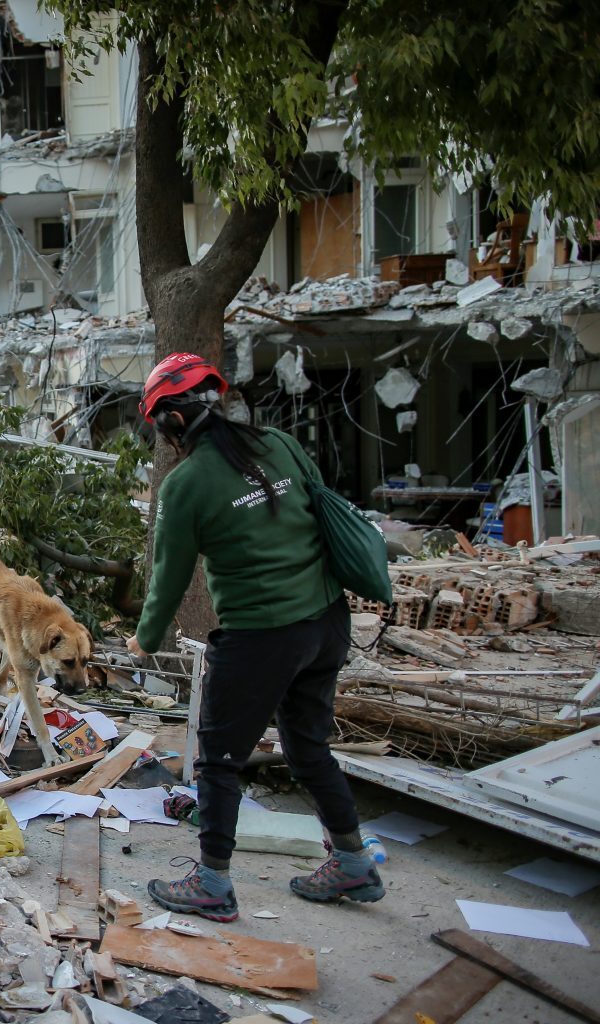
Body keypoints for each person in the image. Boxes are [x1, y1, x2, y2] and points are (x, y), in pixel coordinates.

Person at [126, 351, 383, 922]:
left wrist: (145, 638)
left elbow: (168, 578)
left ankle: (212, 884)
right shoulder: (280, 444)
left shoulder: (185, 482)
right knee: (308, 749)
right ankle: (353, 862)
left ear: (171, 420)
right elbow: (321, 505)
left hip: (261, 636)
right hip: (326, 622)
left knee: (218, 759)